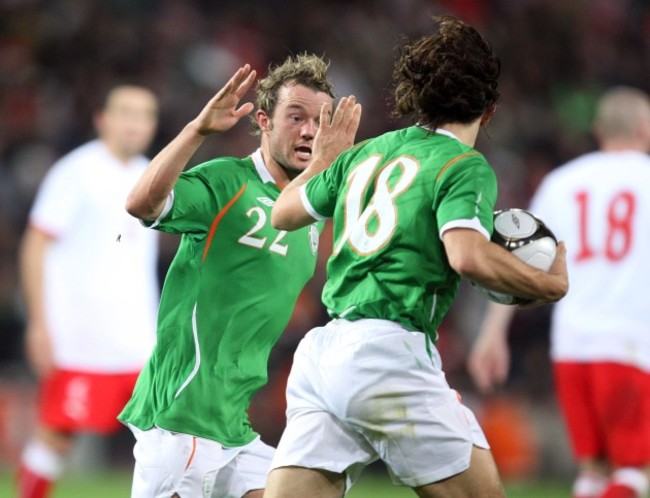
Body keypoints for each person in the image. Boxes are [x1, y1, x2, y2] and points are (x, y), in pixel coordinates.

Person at [265, 15, 568, 498]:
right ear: (489, 111)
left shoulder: (365, 152)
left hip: (324, 355)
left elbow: (282, 212)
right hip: (389, 356)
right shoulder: (464, 165)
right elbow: (467, 256)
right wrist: (548, 285)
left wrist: (323, 161)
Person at [117, 55, 361, 498]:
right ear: (264, 121)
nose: (309, 131)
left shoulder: (309, 209)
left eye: (319, 121)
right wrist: (198, 130)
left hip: (232, 426)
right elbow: (141, 204)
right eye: (296, 117)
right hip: (183, 418)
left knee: (321, 488)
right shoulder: (229, 183)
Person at [468, 86, 650, 498]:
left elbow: (517, 259)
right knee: (632, 473)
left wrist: (492, 333)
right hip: (630, 343)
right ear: (645, 129)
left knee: (592, 472)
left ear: (600, 130)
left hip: (571, 347)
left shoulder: (563, 182)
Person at [17, 85, 160, 498]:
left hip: (140, 338)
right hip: (81, 337)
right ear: (103, 119)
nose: (135, 123)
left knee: (163, 436)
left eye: (145, 115)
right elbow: (35, 244)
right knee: (58, 435)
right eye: (126, 112)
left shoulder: (151, 173)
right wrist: (39, 325)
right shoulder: (75, 172)